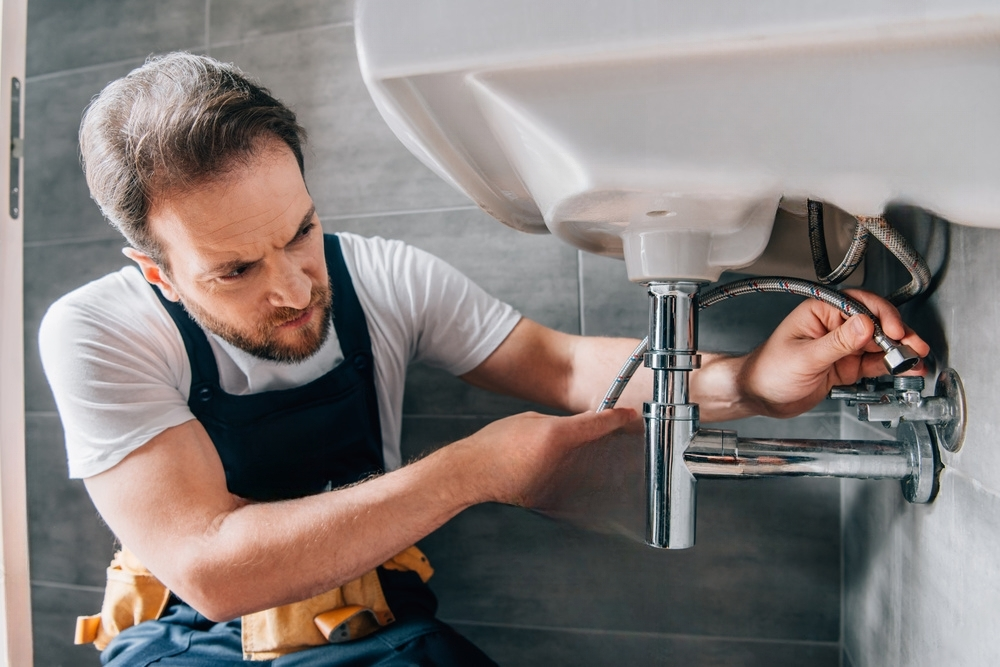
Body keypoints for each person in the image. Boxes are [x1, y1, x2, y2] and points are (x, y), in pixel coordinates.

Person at [39, 53, 929, 666]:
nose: (295, 286)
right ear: (154, 272)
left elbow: (561, 366)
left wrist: (750, 382)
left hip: (376, 631)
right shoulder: (96, 331)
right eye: (236, 269)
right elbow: (213, 566)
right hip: (190, 643)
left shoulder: (381, 277)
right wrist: (477, 469)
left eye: (301, 229)